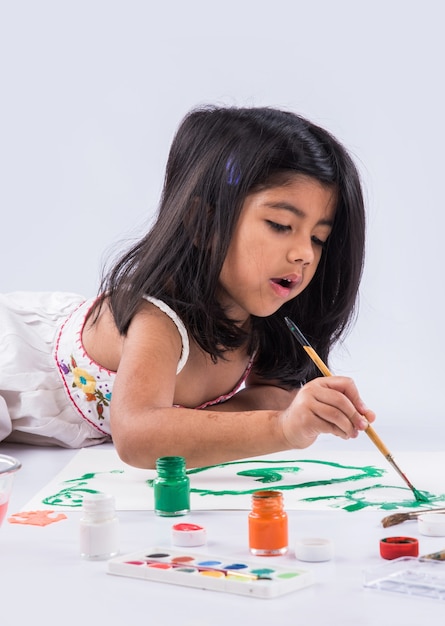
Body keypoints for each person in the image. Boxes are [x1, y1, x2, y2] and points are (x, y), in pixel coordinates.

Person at [0, 104, 375, 469]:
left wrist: (296, 410)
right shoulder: (157, 319)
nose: (303, 254)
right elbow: (136, 437)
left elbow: (272, 395)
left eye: (319, 238)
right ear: (203, 225)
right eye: (280, 225)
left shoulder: (264, 314)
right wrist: (280, 428)